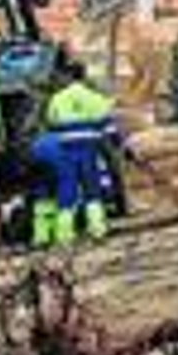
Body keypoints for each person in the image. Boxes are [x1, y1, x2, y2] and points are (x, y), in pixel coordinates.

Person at [30, 60, 116, 247]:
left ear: (68, 76)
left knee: (66, 192)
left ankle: (64, 236)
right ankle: (98, 231)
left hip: (65, 151)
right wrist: (119, 145)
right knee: (92, 191)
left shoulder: (57, 99)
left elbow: (51, 124)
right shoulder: (96, 98)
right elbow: (109, 129)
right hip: (89, 150)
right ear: (84, 76)